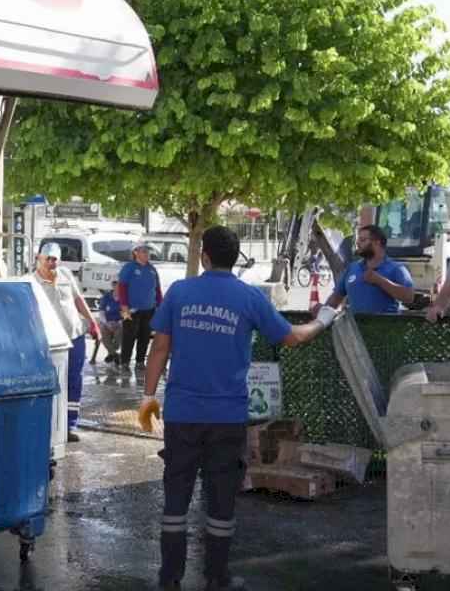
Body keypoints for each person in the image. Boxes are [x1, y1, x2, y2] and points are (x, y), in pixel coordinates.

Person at [139, 226, 336, 591]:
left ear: (205, 256)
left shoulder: (180, 292)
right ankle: (217, 577)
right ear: (234, 258)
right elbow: (291, 337)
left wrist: (148, 396)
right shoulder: (249, 297)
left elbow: (160, 348)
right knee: (221, 499)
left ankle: (169, 577)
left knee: (176, 498)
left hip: (182, 414)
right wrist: (323, 320)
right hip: (226, 418)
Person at [30, 243, 99, 442]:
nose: (51, 263)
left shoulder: (66, 275)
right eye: (48, 258)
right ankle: (51, 425)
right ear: (39, 258)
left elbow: (78, 300)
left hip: (75, 335)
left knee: (74, 380)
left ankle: (70, 425)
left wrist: (93, 323)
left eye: (55, 259)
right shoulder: (31, 282)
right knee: (53, 382)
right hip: (51, 342)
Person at [315, 225, 415, 315]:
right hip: (355, 327)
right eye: (358, 240)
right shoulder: (352, 268)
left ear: (377, 242)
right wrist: (323, 310)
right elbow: (336, 297)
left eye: (362, 240)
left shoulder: (397, 268)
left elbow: (409, 297)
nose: (357, 243)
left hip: (384, 327)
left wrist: (380, 281)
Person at [118, 240, 162, 374]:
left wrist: (160, 306)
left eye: (147, 251)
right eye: (143, 251)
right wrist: (124, 306)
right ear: (135, 252)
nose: (146, 253)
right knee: (129, 337)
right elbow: (122, 287)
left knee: (145, 337)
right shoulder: (129, 267)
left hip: (149, 310)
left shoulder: (152, 269)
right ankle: (124, 362)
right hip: (131, 310)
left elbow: (157, 289)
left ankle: (140, 362)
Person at [95, 280, 125, 370]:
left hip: (119, 322)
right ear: (112, 285)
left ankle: (112, 353)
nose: (117, 286)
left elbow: (127, 312)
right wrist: (106, 323)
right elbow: (101, 312)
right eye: (115, 284)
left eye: (119, 284)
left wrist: (120, 321)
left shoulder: (125, 297)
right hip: (106, 321)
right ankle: (115, 355)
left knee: (121, 330)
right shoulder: (106, 296)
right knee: (103, 331)